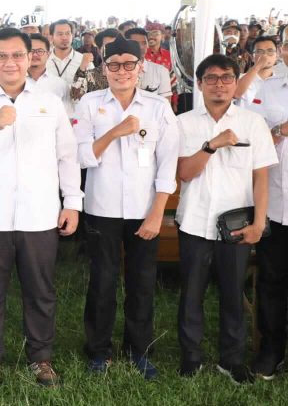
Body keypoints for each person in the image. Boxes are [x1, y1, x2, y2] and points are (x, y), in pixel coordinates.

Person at [0, 27, 82, 387]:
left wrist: (72, 202)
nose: (10, 63)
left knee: (40, 290)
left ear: (30, 58)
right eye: (2, 56)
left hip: (38, 214)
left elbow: (67, 155)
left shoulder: (49, 102)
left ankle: (40, 358)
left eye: (17, 55)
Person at [73, 38, 179, 380]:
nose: (122, 71)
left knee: (142, 282)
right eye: (114, 65)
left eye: (129, 64)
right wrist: (115, 132)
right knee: (102, 281)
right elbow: (82, 157)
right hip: (101, 208)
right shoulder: (89, 104)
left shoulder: (158, 107)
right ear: (104, 69)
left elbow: (168, 165)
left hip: (143, 210)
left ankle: (139, 350)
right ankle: (98, 351)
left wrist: (157, 213)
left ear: (141, 67)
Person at [175, 54, 277, 384]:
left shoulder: (253, 123)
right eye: (212, 78)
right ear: (200, 83)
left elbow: (261, 177)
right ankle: (191, 357)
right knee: (191, 294)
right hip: (194, 221)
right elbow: (184, 172)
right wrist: (211, 146)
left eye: (227, 77)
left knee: (233, 294)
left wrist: (258, 223)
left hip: (236, 226)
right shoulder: (184, 123)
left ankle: (231, 360)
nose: (219, 84)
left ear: (236, 82)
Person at [249, 71, 288, 379]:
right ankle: (272, 350)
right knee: (271, 281)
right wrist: (280, 130)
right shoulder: (269, 88)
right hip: (274, 207)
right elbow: (253, 140)